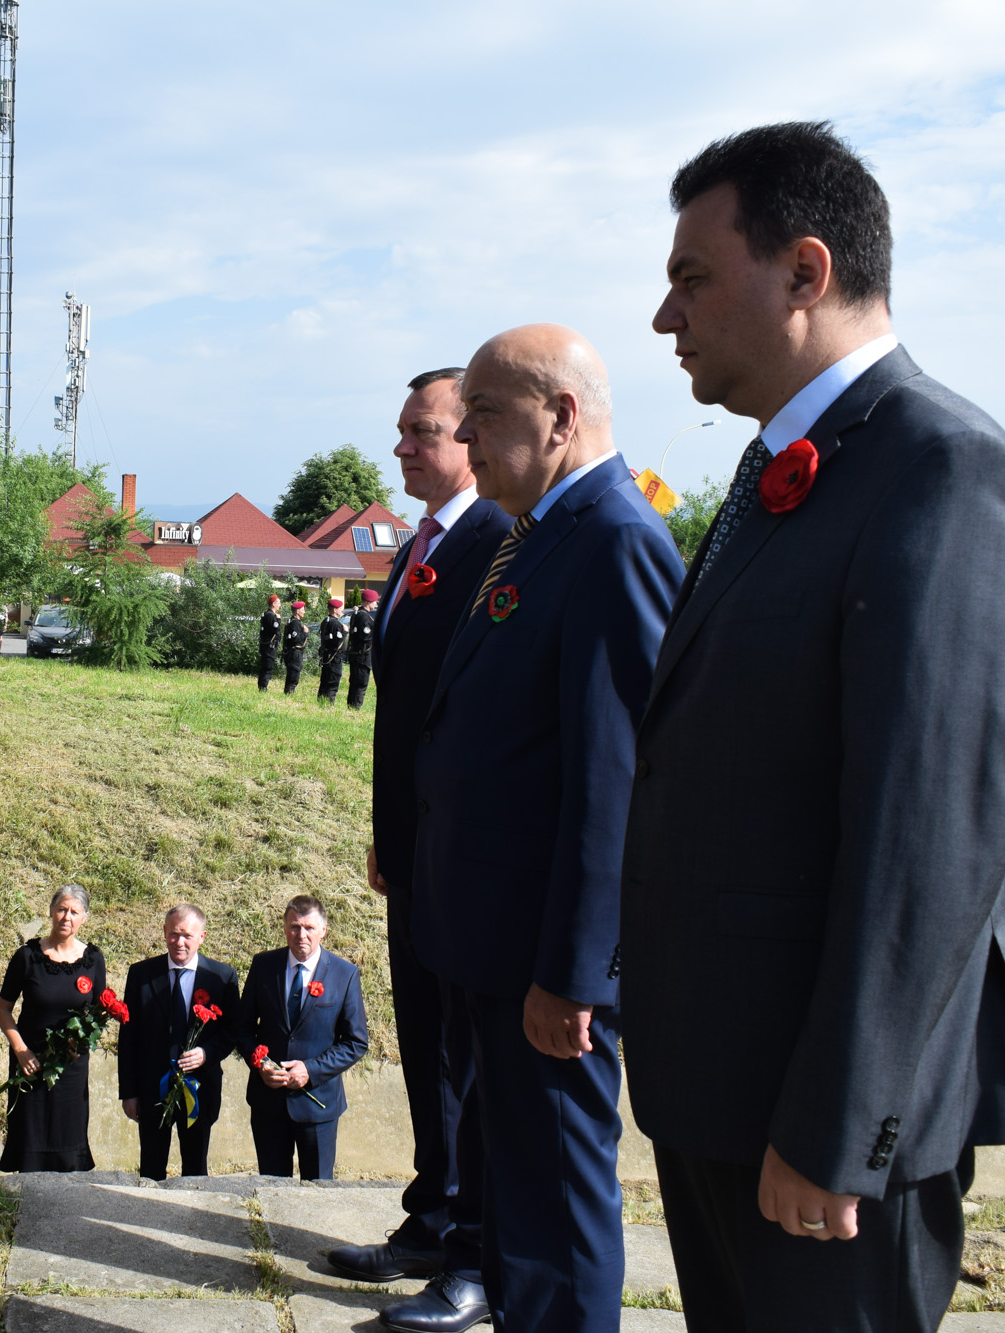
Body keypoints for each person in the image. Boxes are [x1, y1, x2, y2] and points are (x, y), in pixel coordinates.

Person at [624, 122, 1005, 1332]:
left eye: (691, 277)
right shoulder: (780, 464)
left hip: (815, 1128)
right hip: (722, 1081)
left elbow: (931, 835)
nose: (665, 317)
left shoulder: (942, 468)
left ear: (804, 271)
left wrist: (838, 1124)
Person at [412, 325, 681, 1333]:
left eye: (483, 415)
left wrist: (575, 974)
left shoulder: (613, 539)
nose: (464, 438)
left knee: (557, 1206)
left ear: (560, 416)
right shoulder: (541, 530)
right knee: (519, 1201)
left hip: (545, 964)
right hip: (495, 944)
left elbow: (617, 779)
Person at [332, 367, 514, 1332]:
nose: (402, 446)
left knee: (469, 1060)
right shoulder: (419, 545)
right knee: (426, 1048)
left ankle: (477, 1249)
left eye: (422, 431)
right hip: (413, 847)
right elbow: (402, 711)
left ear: (470, 438)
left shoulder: (496, 541)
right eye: (401, 430)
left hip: (466, 854)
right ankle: (434, 1217)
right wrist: (388, 831)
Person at [237, 896, 370, 1180]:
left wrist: (310, 1070)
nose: (302, 935)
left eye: (309, 928)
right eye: (295, 927)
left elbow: (355, 1042)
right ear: (285, 927)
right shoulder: (264, 966)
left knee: (318, 1192)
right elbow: (242, 1028)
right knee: (273, 1188)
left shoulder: (344, 974)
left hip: (318, 1105)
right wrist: (261, 1065)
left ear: (324, 930)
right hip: (268, 1102)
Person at [117, 904, 242, 1179]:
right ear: (164, 932)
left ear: (202, 937)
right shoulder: (141, 974)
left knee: (195, 1170)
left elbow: (233, 1030)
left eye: (187, 935)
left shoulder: (222, 978)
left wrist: (206, 1053)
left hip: (200, 1087)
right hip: (152, 1089)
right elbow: (128, 1036)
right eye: (174, 934)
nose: (179, 942)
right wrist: (129, 1092)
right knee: (150, 1168)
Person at [0, 886, 108, 1171]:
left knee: (67, 1140)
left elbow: (98, 1014)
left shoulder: (93, 960)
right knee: (30, 1138)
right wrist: (20, 1050)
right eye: (61, 909)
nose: (66, 917)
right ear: (51, 911)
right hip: (30, 1063)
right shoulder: (27, 957)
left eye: (74, 912)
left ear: (84, 918)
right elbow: (3, 1009)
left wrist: (80, 1042)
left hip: (71, 1066)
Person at [345, 588, 378, 709]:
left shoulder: (357, 614)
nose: (376, 603)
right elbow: (365, 636)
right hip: (362, 654)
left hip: (357, 653)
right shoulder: (364, 617)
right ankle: (355, 707)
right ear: (368, 602)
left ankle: (351, 706)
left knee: (355, 681)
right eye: (374, 601)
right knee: (360, 682)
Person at [317, 596, 349, 703]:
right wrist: (345, 632)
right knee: (333, 681)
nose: (342, 610)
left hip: (326, 655)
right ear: (335, 610)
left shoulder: (325, 621)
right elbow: (338, 642)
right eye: (340, 608)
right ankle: (329, 703)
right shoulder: (335, 623)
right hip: (334, 657)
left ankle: (321, 702)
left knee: (325, 680)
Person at [283, 600, 311, 694]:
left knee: (293, 673)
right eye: (303, 610)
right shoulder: (295, 623)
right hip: (294, 652)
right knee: (294, 674)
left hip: (292, 652)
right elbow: (296, 639)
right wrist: (305, 633)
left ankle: (289, 691)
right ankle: (289, 692)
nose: (304, 612)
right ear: (298, 611)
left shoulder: (292, 621)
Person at [259, 592, 284, 690]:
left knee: (266, 666)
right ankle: (263, 687)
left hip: (268, 645)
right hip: (269, 646)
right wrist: (278, 620)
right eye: (278, 603)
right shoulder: (270, 615)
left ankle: (262, 686)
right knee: (268, 667)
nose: (280, 605)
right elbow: (275, 629)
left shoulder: (267, 614)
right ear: (274, 604)